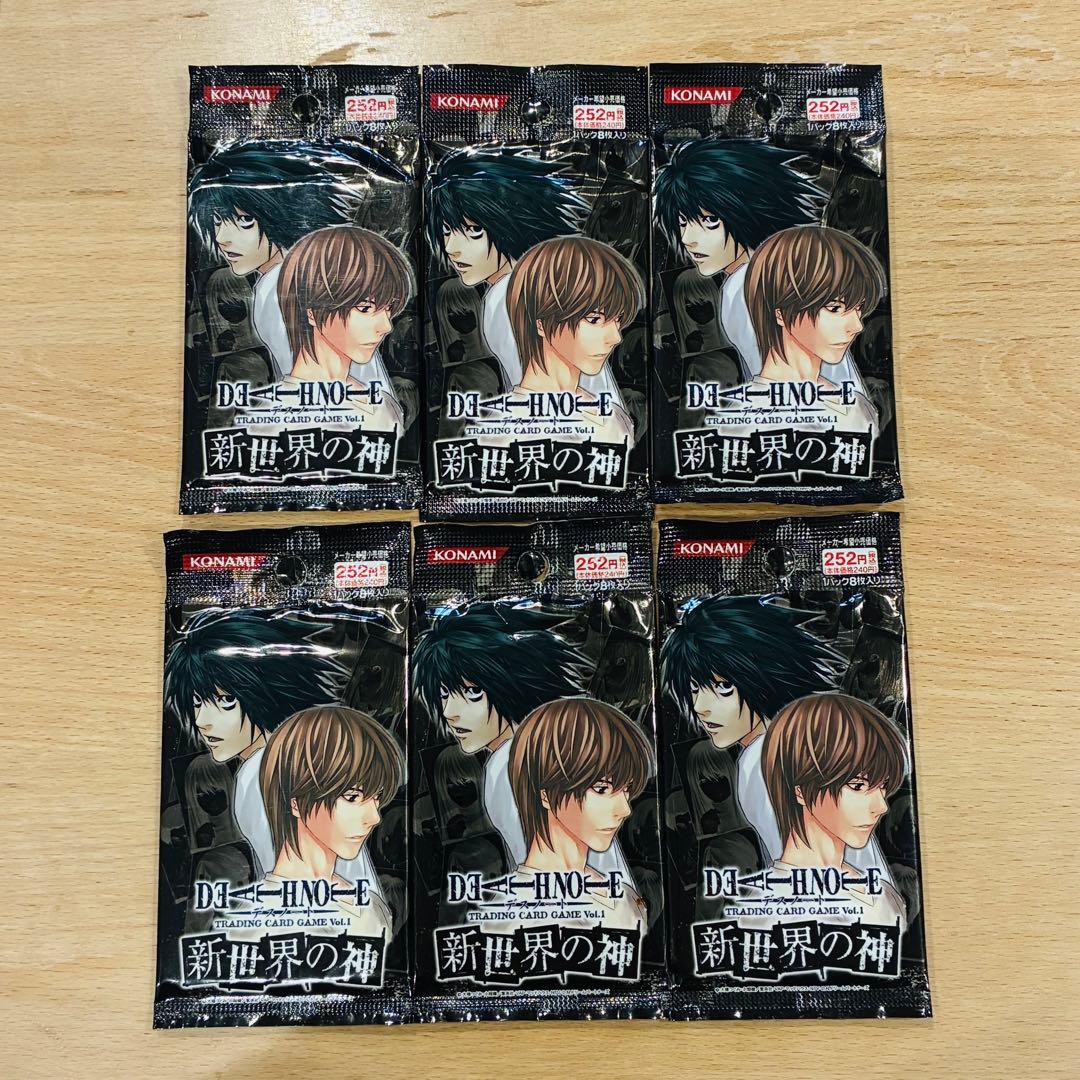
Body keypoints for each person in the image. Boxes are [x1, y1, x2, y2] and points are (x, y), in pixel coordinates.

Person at [659, 595, 895, 886]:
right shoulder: (798, 746)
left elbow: (806, 870)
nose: (700, 707)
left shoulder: (764, 759)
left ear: (764, 675)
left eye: (724, 686)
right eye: (695, 688)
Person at [163, 609, 382, 898]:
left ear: (264, 693)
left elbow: (292, 884)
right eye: (196, 702)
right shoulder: (298, 761)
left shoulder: (260, 773)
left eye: (226, 700)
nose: (203, 721)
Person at [425, 149, 631, 426]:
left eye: (474, 231)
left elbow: (541, 396)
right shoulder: (531, 286)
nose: (452, 248)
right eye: (447, 230)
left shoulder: (509, 295)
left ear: (510, 223)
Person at [654, 137, 868, 397]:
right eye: (682, 222)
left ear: (749, 210)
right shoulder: (781, 274)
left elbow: (783, 385)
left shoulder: (746, 285)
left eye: (710, 220)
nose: (689, 239)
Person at [188, 140, 366, 378]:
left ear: (282, 216)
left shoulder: (278, 288)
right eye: (217, 220)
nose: (222, 238)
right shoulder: (303, 278)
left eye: (245, 220)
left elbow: (311, 382)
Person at [245, 705, 403, 941]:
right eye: (352, 797)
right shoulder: (255, 918)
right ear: (296, 802)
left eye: (377, 796)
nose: (374, 817)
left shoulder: (370, 907)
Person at [752, 693, 909, 928]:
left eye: (883, 785)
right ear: (800, 791)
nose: (882, 806)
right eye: (857, 786)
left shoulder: (881, 895)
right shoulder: (765, 908)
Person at [505, 697, 653, 930]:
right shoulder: (513, 912)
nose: (625, 810)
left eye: (626, 789)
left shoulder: (623, 896)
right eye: (601, 789)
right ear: (545, 794)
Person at [742, 225, 885, 434]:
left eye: (859, 308)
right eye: (834, 308)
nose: (857, 326)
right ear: (780, 313)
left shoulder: (856, 406)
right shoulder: (746, 418)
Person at [270, 224, 413, 432]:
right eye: (365, 308)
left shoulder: (383, 405)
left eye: (389, 308)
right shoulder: (275, 416)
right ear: (311, 311)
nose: (386, 326)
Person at [504, 236, 644, 443]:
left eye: (618, 319)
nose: (616, 338)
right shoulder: (507, 427)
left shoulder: (612, 417)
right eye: (594, 319)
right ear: (540, 323)